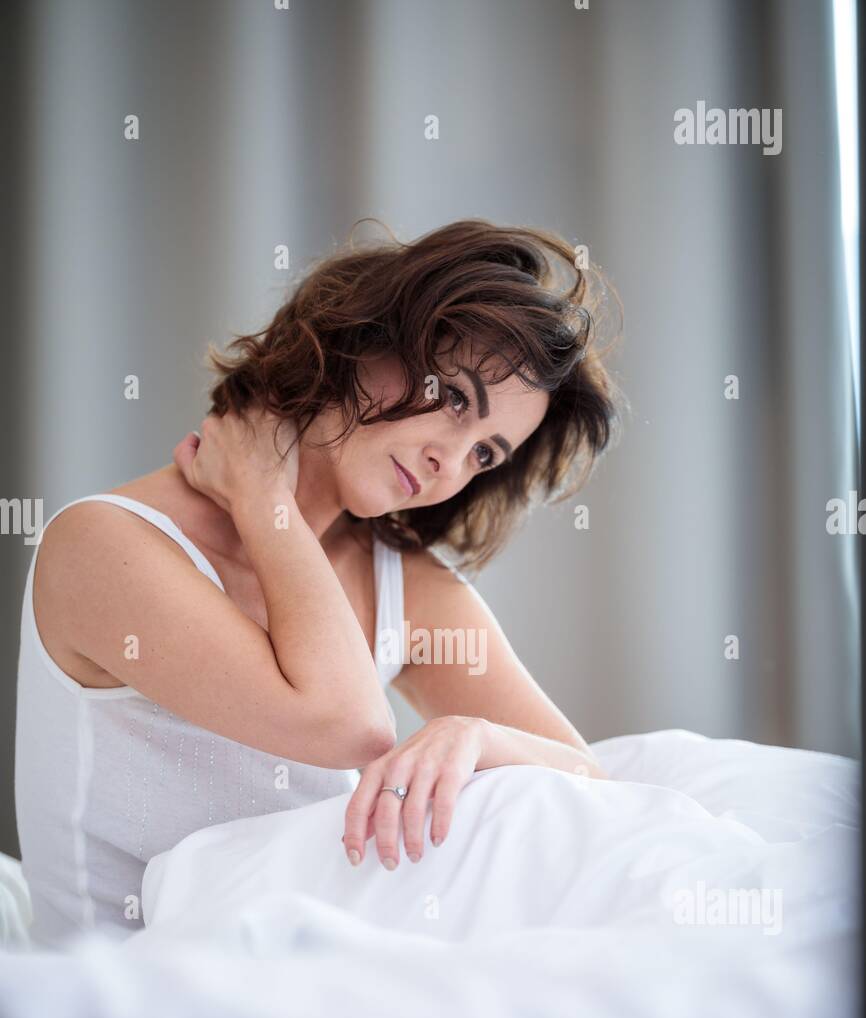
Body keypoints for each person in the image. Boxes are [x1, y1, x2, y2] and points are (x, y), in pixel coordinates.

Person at [15, 219, 620, 948]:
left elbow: (590, 782)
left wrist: (476, 735)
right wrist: (268, 504)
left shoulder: (408, 585)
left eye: (485, 454)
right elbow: (348, 726)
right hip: (133, 998)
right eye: (455, 398)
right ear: (362, 339)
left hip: (303, 975)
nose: (449, 464)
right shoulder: (101, 545)